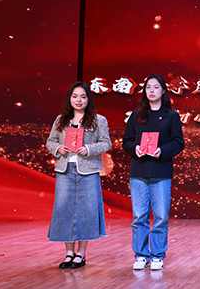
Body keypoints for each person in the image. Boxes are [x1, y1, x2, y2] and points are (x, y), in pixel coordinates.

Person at [46, 81, 112, 269]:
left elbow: (106, 143)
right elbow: (50, 141)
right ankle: (68, 253)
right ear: (70, 98)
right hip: (65, 170)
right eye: (75, 96)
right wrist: (58, 148)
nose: (79, 100)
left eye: (83, 97)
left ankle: (81, 253)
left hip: (88, 171)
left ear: (88, 99)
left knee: (87, 211)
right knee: (64, 209)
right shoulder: (61, 120)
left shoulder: (99, 120)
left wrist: (89, 149)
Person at [122, 74, 184, 270]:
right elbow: (126, 141)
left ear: (163, 91)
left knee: (161, 216)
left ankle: (157, 255)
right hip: (139, 170)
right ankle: (141, 255)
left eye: (156, 87)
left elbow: (178, 143)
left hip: (161, 171)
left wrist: (162, 151)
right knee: (139, 216)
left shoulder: (171, 115)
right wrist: (135, 148)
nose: (151, 90)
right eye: (148, 87)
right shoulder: (136, 114)